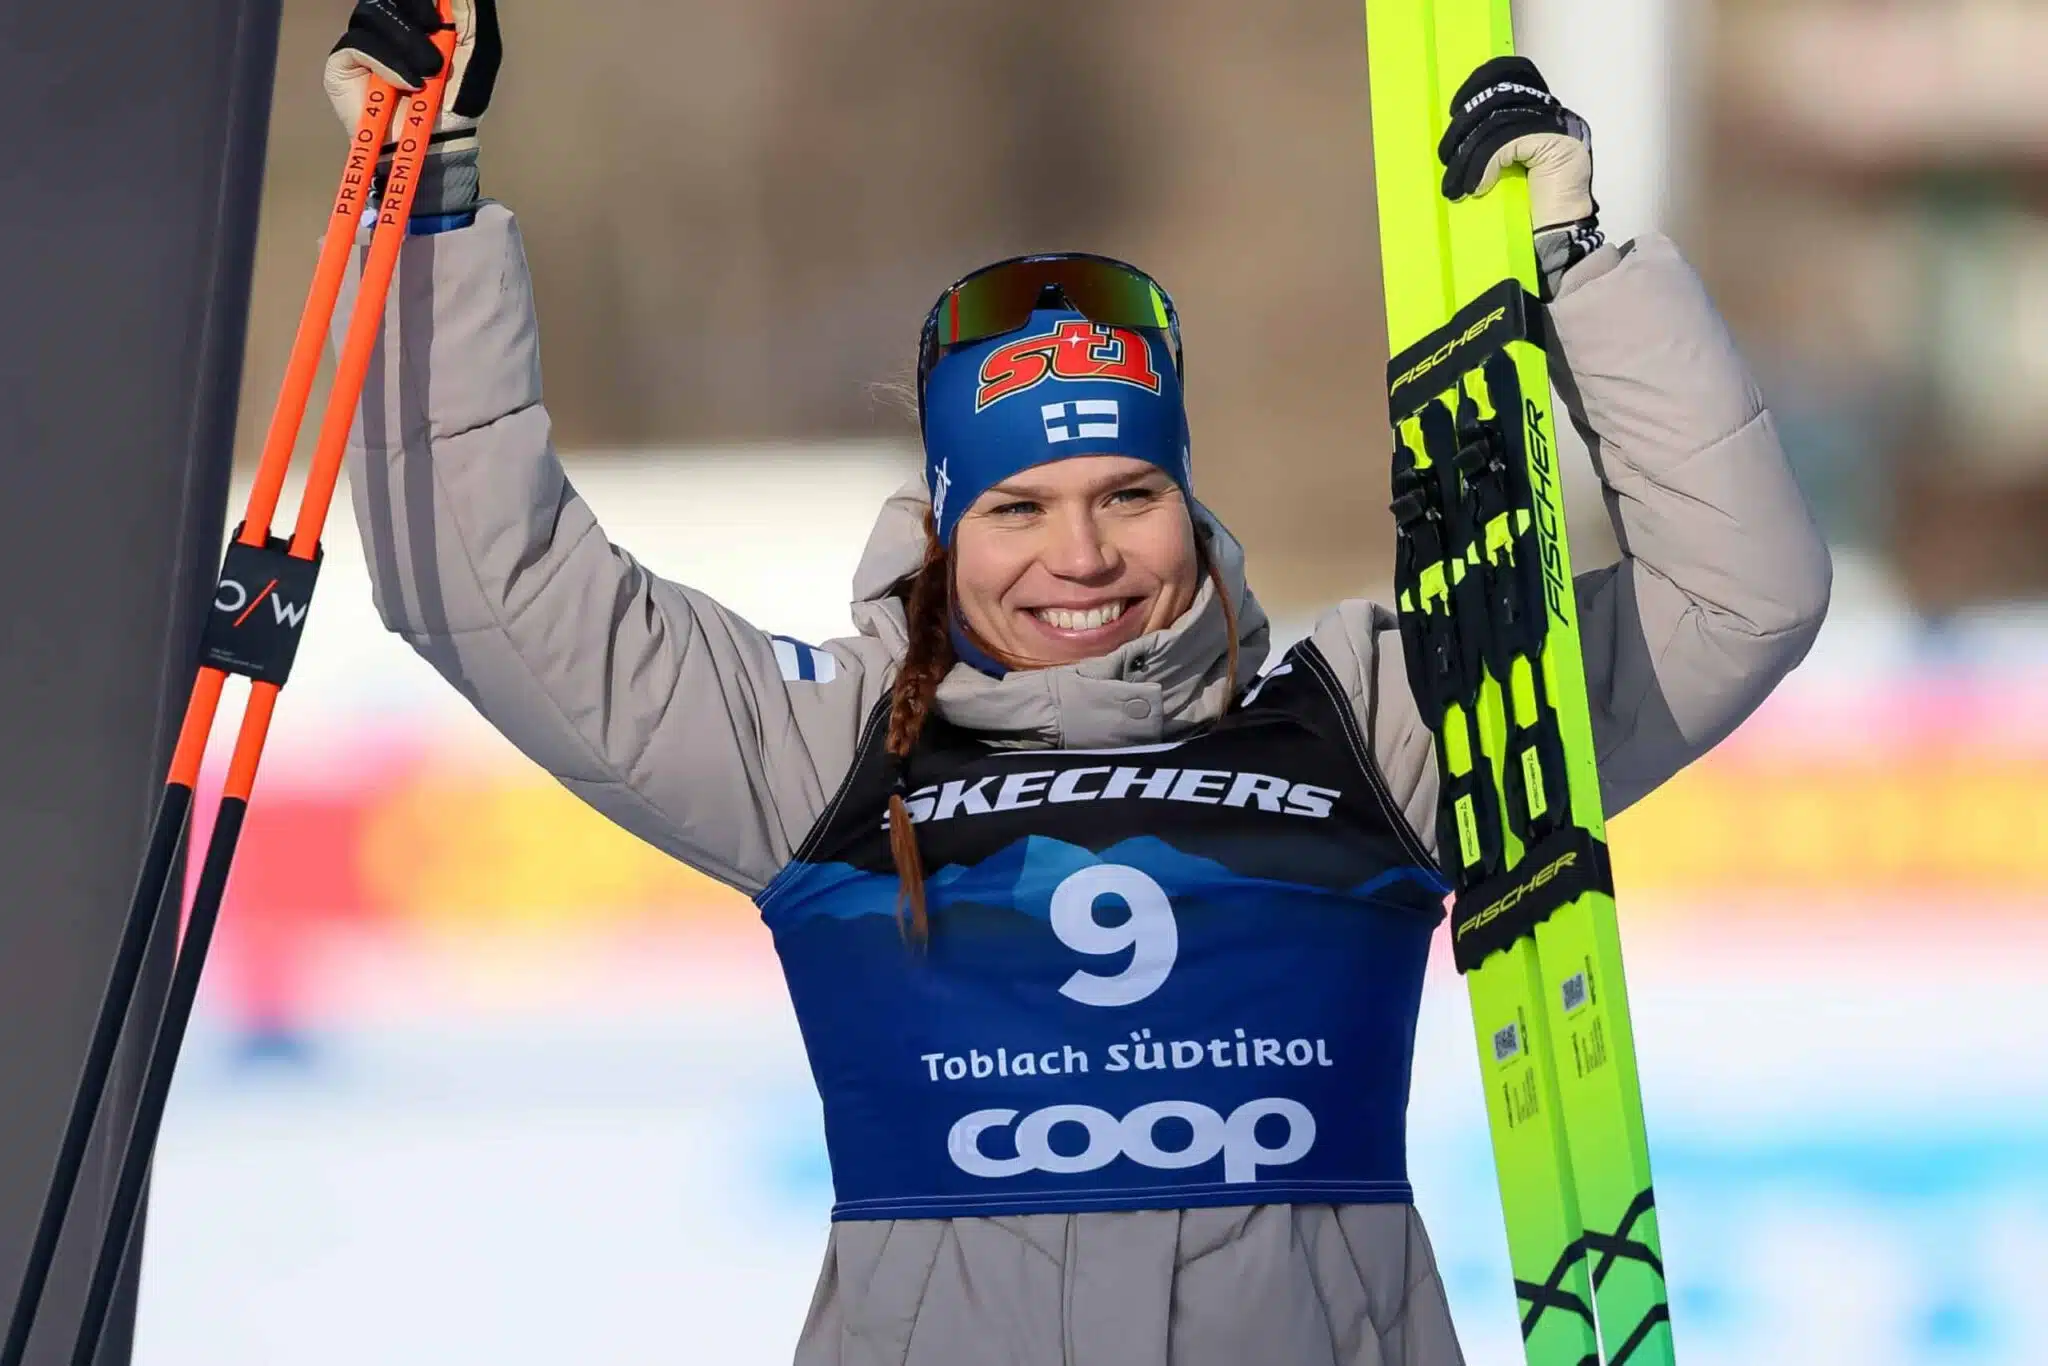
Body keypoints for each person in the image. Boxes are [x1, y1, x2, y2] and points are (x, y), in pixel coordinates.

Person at [323, 3, 1831, 1363]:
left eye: (1129, 493)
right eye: (1018, 508)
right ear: (942, 522)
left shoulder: (1374, 727)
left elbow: (1738, 598)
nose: (1083, 555)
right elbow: (489, 588)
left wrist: (1581, 274)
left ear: (1188, 493)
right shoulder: (826, 754)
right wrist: (424, 194)